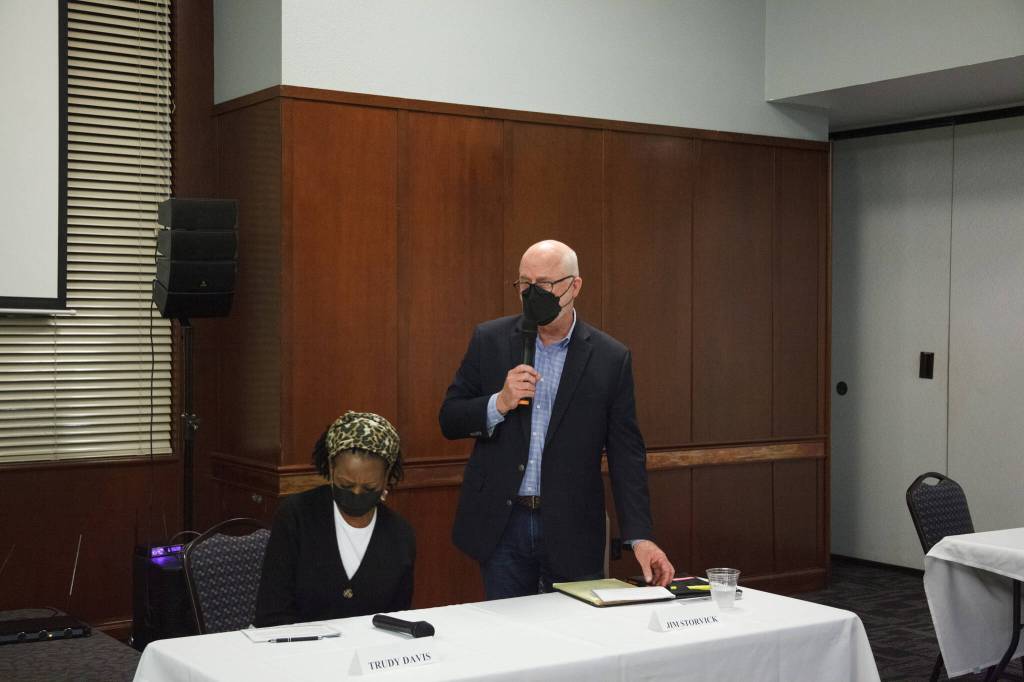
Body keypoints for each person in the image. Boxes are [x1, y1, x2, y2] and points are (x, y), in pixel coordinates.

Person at [439, 239, 674, 599]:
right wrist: (498, 403)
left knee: (572, 641)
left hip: (571, 528)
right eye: (525, 284)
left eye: (545, 285)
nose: (533, 294)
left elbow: (627, 454)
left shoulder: (610, 358)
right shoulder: (491, 340)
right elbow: (449, 418)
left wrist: (639, 536)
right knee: (509, 641)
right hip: (503, 525)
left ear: (574, 286)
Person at [254, 411, 415, 626]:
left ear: (387, 478)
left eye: (369, 487)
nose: (356, 493)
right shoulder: (296, 516)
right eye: (346, 485)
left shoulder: (400, 534)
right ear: (330, 468)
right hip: (295, 650)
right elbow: (272, 614)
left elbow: (395, 621)